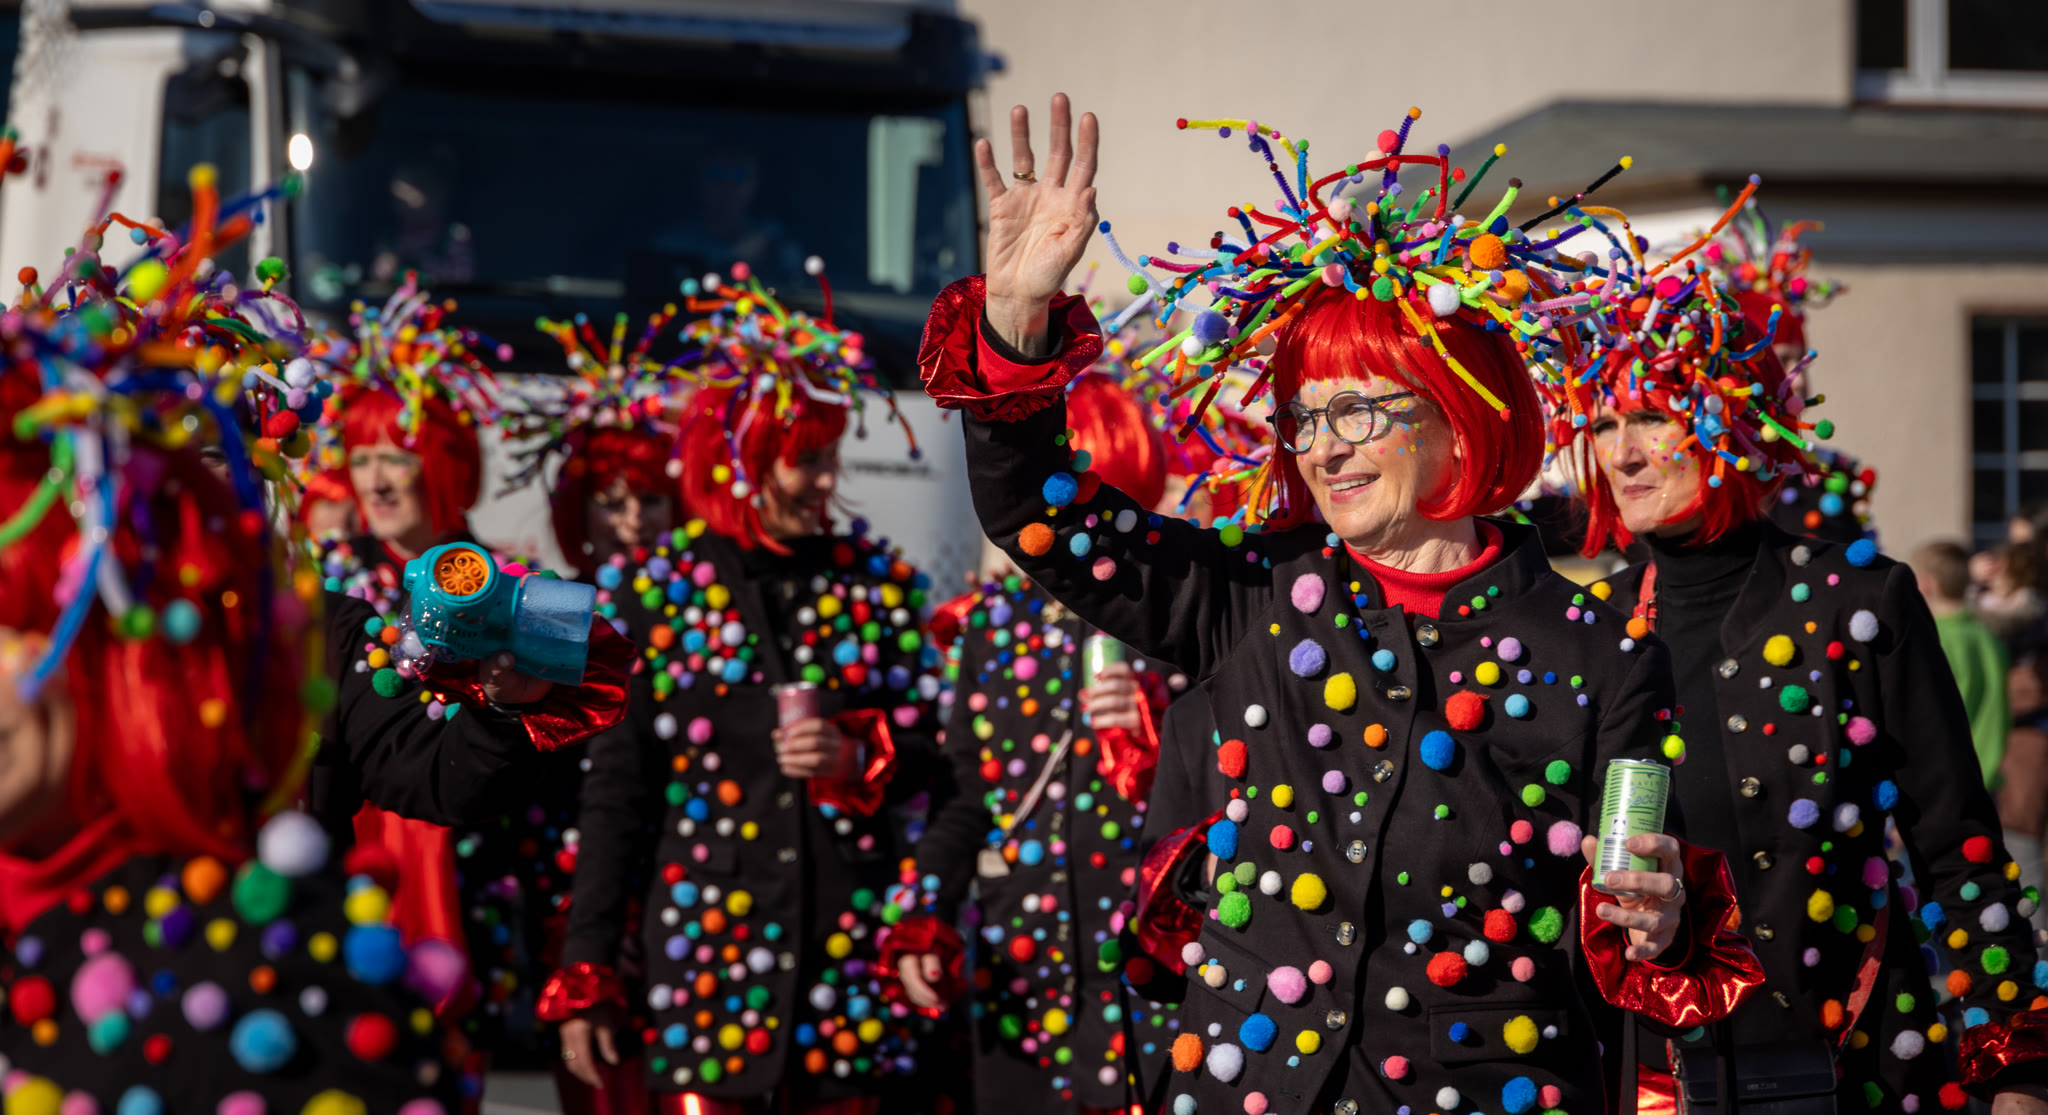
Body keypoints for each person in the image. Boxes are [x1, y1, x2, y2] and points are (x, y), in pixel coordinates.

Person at [916, 96, 1764, 1115]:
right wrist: (1015, 326)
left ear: (1458, 414)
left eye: (1356, 409)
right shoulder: (1255, 594)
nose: (1321, 446)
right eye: (1304, 416)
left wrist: (1659, 923)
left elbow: (1648, 926)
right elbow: (1040, 516)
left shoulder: (1599, 656)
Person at [1551, 204, 2045, 1111]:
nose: (1622, 452)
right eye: (1607, 421)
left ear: (1730, 422)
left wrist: (2018, 1075)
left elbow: (1957, 847)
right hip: (1657, 1083)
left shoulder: (1859, 600)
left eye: (1652, 417)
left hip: (1855, 1068)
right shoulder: (1591, 624)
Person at [0, 173, 460, 1111]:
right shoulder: (46, 627)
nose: (160, 492)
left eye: (202, 457)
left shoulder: (316, 629)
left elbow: (435, 773)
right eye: (132, 459)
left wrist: (518, 697)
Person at [545, 269, 946, 1115]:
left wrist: (862, 754)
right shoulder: (654, 594)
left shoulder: (876, 584)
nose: (828, 481)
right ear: (740, 460)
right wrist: (588, 964)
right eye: (806, 461)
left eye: (831, 458)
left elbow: (940, 762)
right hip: (709, 975)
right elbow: (617, 791)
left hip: (844, 974)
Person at [888, 371, 1184, 1114]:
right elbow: (964, 794)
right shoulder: (993, 624)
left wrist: (1157, 736)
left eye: (1115, 501)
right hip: (1023, 982)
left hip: (1150, 987)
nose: (1097, 522)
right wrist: (924, 911)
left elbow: (1225, 798)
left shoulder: (1176, 616)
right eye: (1081, 497)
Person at [1912, 540, 2012, 789]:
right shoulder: (1988, 637)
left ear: (1925, 583)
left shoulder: (1931, 639)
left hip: (1945, 779)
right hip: (1986, 775)